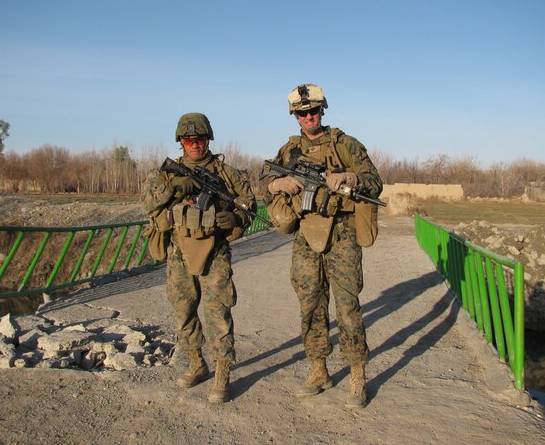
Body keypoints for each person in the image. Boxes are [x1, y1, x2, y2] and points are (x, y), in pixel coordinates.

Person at [262, 84, 383, 409]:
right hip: (305, 235)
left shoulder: (345, 144)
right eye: (302, 113)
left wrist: (350, 179)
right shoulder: (288, 152)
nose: (308, 117)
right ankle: (319, 370)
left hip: (342, 234)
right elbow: (261, 183)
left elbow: (374, 181)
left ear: (322, 110)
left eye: (313, 111)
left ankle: (357, 375)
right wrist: (277, 183)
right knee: (311, 306)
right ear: (295, 115)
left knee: (347, 306)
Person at [140, 112, 256, 404]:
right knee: (183, 309)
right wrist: (176, 187)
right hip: (179, 250)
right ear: (180, 141)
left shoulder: (227, 173)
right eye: (188, 139)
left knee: (218, 312)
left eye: (200, 139)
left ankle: (221, 372)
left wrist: (236, 217)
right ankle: (196, 362)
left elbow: (250, 206)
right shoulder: (166, 173)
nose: (194, 144)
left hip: (214, 250)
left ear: (208, 140)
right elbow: (147, 203)